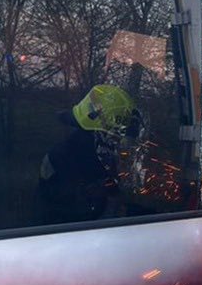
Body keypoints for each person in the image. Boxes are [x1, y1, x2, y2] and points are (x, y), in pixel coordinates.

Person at [38, 84, 136, 223]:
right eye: (116, 132)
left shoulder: (100, 153)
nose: (119, 139)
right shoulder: (63, 157)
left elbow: (112, 188)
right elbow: (72, 211)